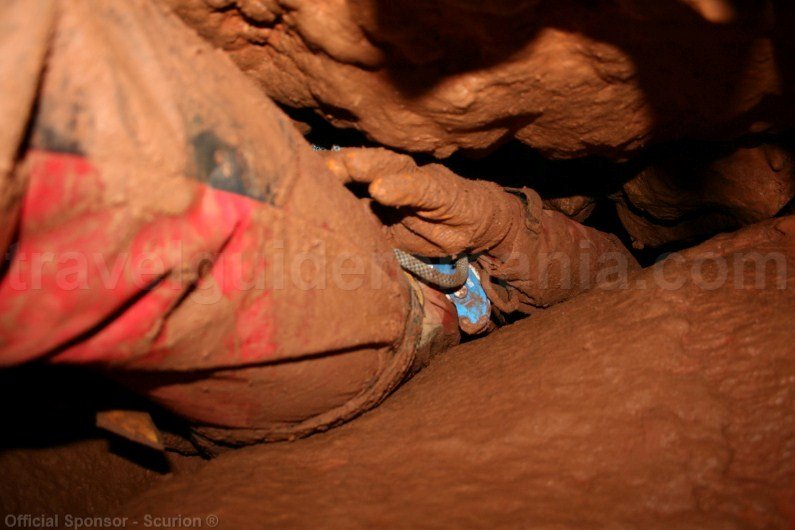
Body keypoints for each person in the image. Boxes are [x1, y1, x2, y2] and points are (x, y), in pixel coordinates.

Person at [0, 0, 636, 448]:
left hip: (336, 324)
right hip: (311, 311)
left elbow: (624, 285)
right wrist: (498, 228)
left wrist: (499, 226)